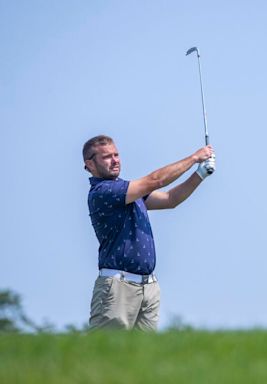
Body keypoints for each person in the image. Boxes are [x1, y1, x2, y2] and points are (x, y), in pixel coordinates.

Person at [83, 134, 215, 331]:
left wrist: (200, 174)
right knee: (106, 357)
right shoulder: (103, 192)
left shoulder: (127, 191)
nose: (115, 160)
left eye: (116, 155)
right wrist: (195, 157)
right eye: (107, 157)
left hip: (148, 288)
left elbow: (171, 199)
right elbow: (156, 180)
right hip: (117, 289)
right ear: (90, 165)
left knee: (142, 359)